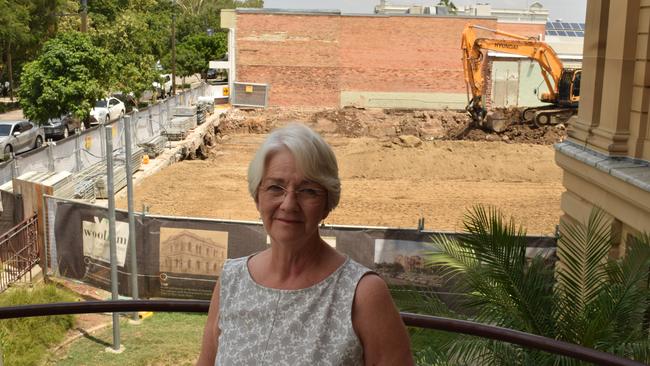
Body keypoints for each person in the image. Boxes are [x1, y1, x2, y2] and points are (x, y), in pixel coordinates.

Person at [197, 123, 413, 365]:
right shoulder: (231, 282)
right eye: (275, 187)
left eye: (308, 190)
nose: (289, 204)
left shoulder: (362, 295)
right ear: (257, 196)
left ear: (327, 204)